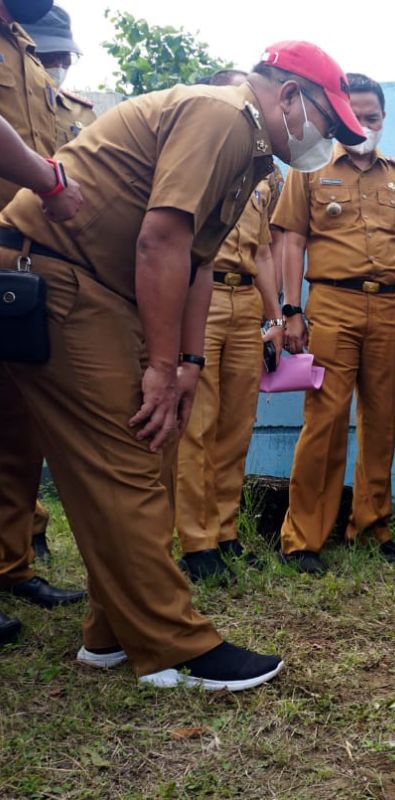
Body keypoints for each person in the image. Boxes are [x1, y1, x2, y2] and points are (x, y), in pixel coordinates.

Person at [0, 40, 368, 687]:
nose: (327, 139)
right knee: (128, 453)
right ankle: (174, 645)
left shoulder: (253, 151)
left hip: (95, 288)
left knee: (152, 448)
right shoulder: (222, 116)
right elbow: (160, 239)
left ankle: (110, 634)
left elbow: (197, 260)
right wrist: (158, 366)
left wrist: (187, 363)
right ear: (289, 95)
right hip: (54, 274)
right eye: (327, 121)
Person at [273, 72, 395, 575]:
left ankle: (372, 527)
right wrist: (292, 309)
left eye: (373, 117)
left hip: (390, 311)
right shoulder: (309, 168)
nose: (365, 124)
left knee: (382, 421)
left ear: (384, 119)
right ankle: (303, 539)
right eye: (356, 116)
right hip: (332, 307)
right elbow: (292, 241)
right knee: (323, 422)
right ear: (340, 116)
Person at [173, 69, 283, 582]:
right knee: (197, 425)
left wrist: (275, 315)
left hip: (245, 302)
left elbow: (263, 250)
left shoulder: (263, 174)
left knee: (237, 424)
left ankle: (225, 531)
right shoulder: (199, 154)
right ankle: (195, 543)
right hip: (201, 296)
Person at [0, 0, 84, 647]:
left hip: (19, 258)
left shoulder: (24, 45)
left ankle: (11, 564)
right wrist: (49, 184)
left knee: (18, 424)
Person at [22, 3, 93, 564]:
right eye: (52, 54)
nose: (58, 63)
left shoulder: (66, 103)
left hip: (43, 268)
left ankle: (15, 561)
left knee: (22, 423)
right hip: (12, 247)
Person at [24, 4, 95, 151]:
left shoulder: (83, 114)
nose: (58, 65)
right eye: (48, 55)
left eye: (64, 56)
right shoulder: (9, 103)